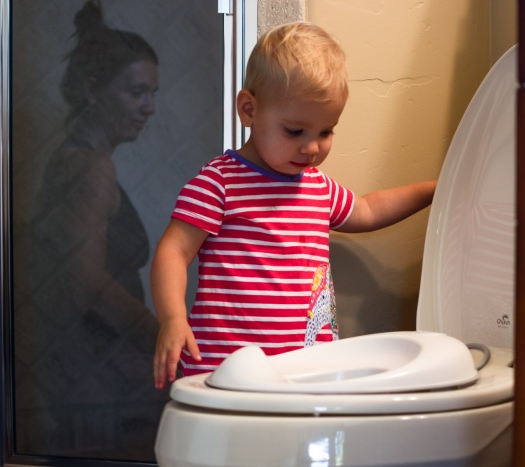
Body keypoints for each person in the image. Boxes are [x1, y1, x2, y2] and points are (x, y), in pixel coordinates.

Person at [151, 21, 437, 389]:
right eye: (295, 131)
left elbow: (367, 210)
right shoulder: (220, 182)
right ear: (249, 110)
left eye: (326, 131)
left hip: (306, 373)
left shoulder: (317, 187)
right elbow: (173, 251)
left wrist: (434, 190)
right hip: (226, 373)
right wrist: (172, 318)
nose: (312, 148)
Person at [14, 0, 163, 459]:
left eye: (153, 94)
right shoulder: (90, 169)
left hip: (92, 371)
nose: (149, 108)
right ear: (94, 89)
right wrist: (163, 334)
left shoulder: (76, 159)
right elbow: (86, 286)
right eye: (137, 92)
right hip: (96, 375)